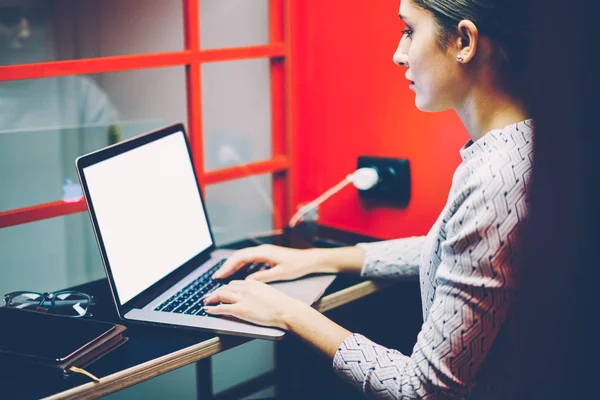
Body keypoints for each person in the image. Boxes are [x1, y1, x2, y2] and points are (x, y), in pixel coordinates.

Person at [204, 0, 532, 398]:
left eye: (409, 31)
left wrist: (286, 312)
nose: (398, 54)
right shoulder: (518, 148)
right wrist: (316, 259)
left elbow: (422, 389)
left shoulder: (494, 179)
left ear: (464, 40)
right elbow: (455, 252)